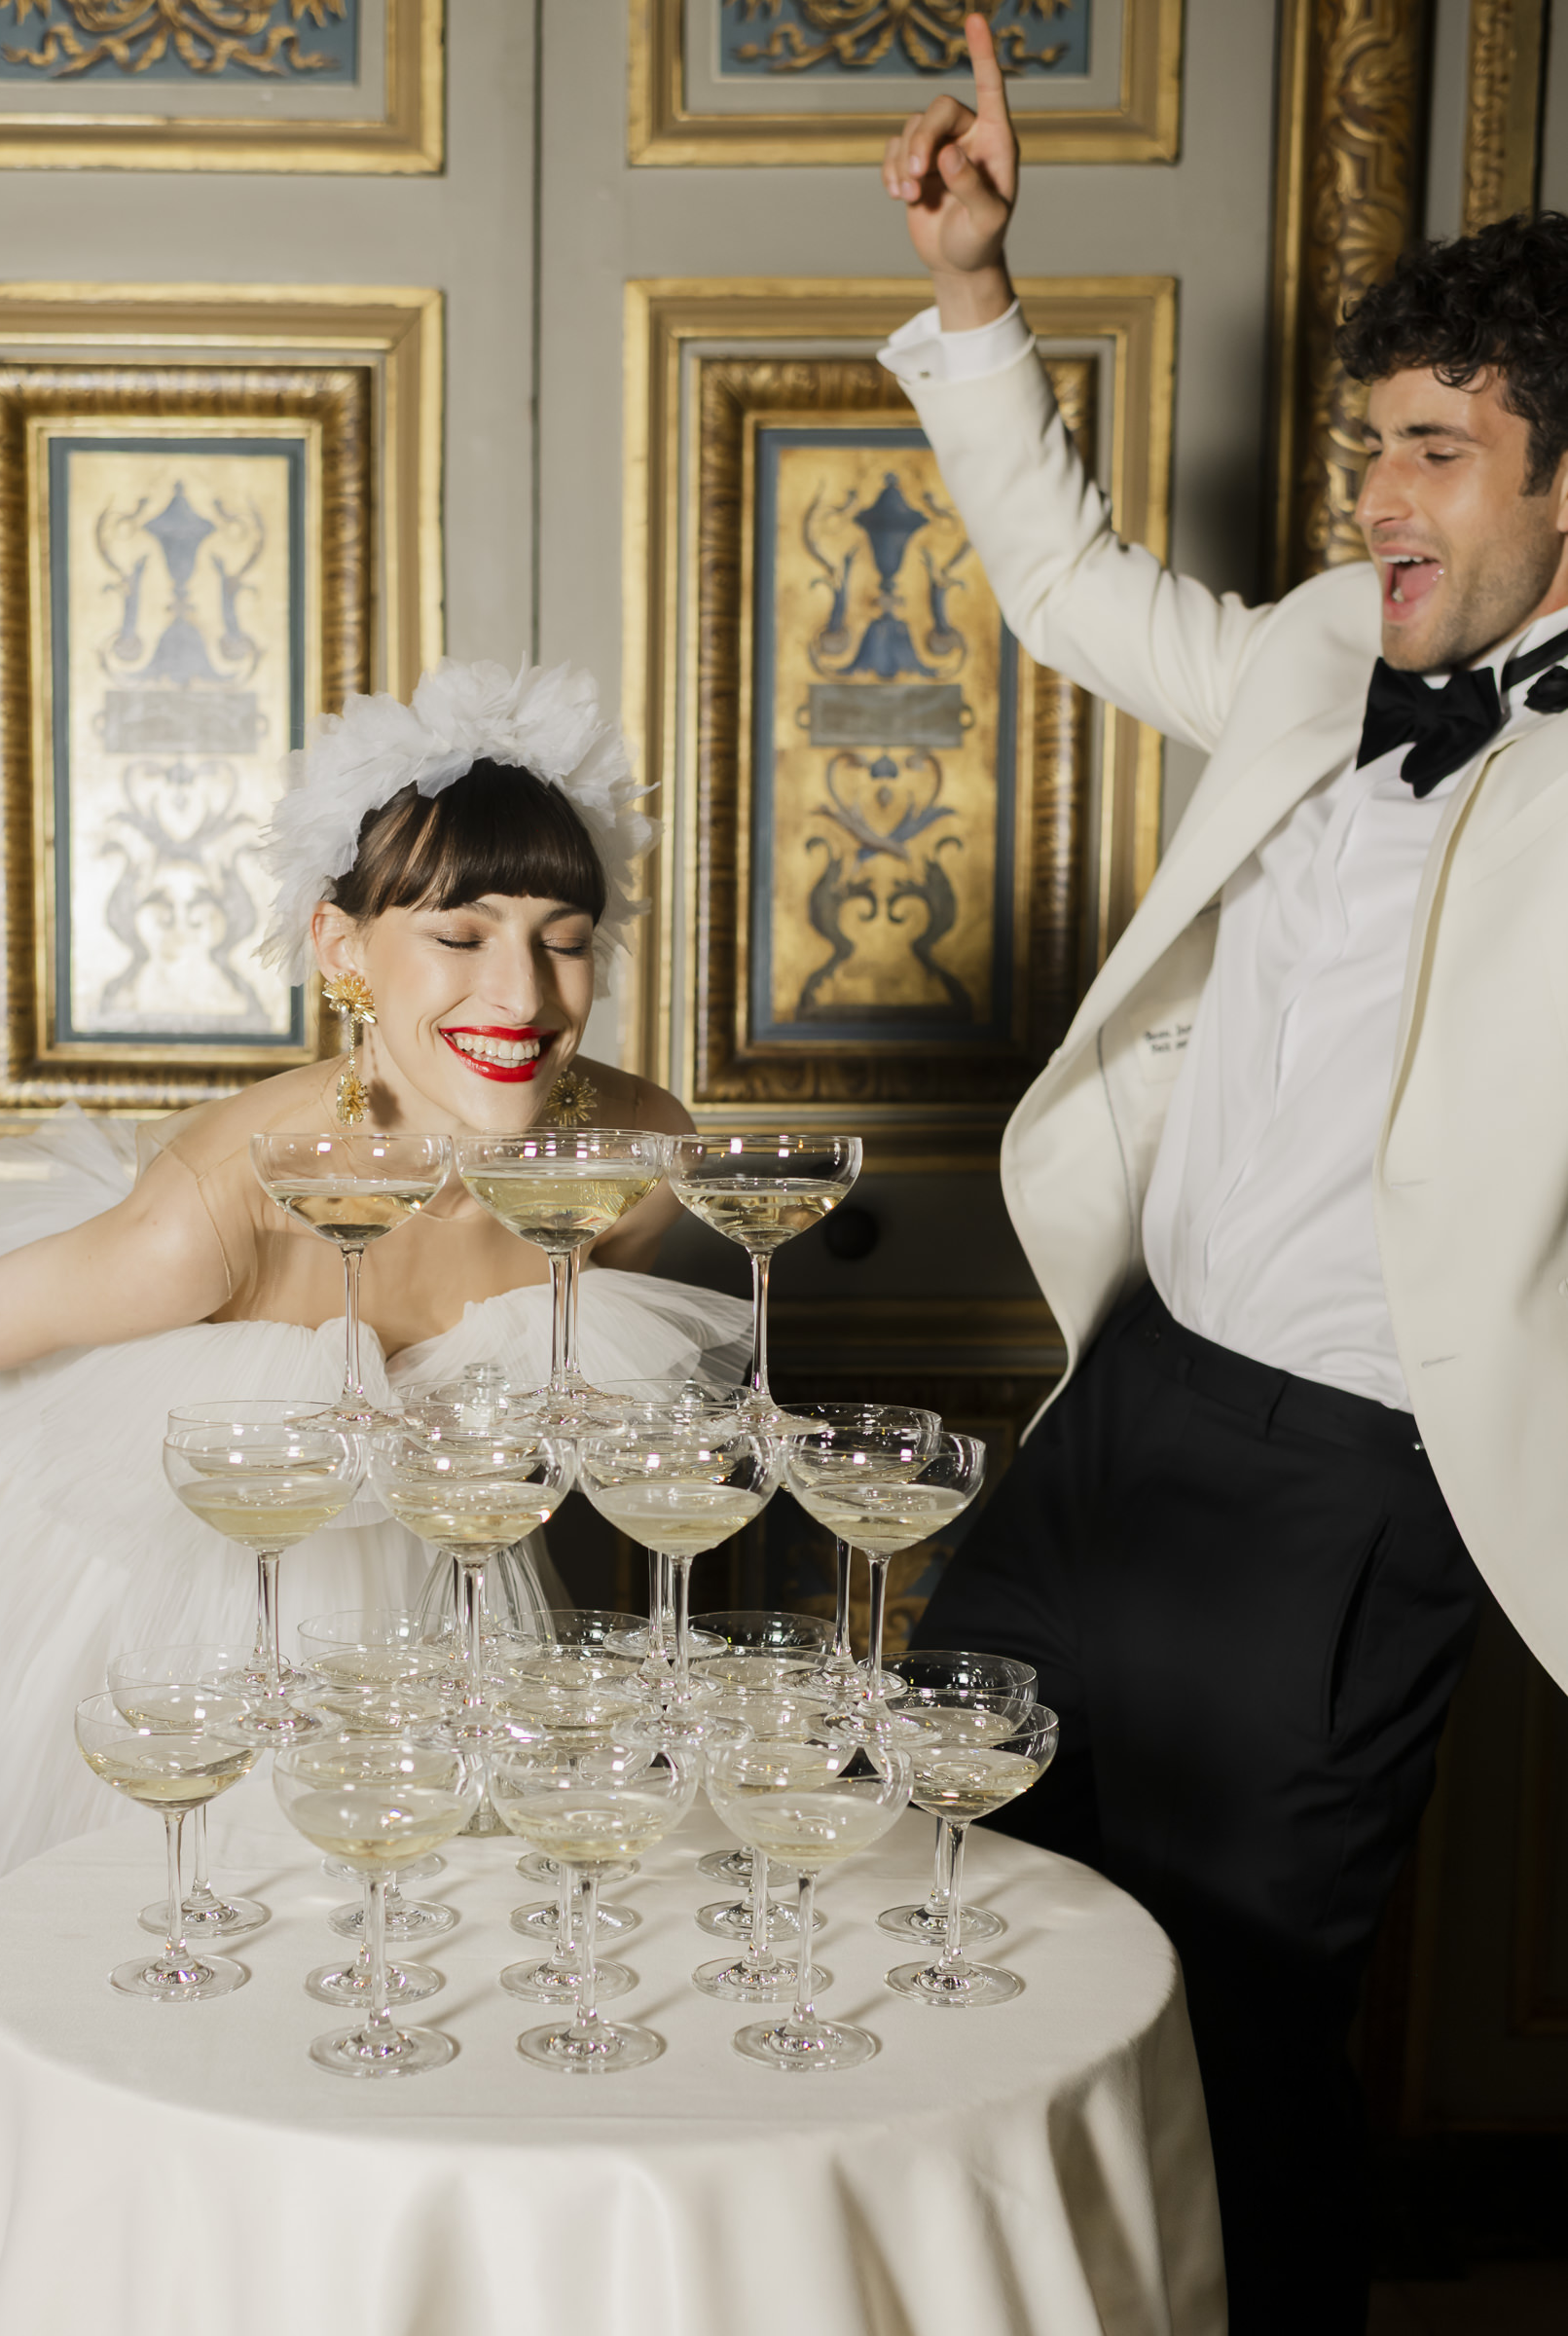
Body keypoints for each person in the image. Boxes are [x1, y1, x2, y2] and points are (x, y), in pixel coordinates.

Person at [880, 18, 1568, 2335]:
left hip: (1358, 1488)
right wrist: (976, 295)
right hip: (1125, 1403)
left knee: (1230, 2036)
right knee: (944, 1892)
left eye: (1436, 452)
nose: (1376, 491)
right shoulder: (1309, 648)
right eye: (1371, 441)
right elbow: (1069, 595)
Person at [0, 658, 748, 1912]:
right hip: (154, 1603)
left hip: (420, 1598)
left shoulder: (633, 1159)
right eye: (459, 936)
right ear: (342, 948)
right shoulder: (215, 1207)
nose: (521, 995)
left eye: (562, 943)